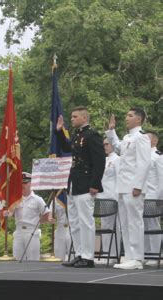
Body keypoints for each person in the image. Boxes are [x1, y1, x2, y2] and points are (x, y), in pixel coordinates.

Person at [57, 106, 106, 268]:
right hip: (74, 182)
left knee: (86, 221)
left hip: (86, 183)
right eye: (71, 117)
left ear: (84, 118)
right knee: (75, 221)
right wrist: (59, 132)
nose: (72, 119)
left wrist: (95, 184)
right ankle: (79, 253)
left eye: (75, 117)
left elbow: (99, 161)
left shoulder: (92, 135)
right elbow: (66, 148)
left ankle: (88, 256)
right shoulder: (78, 135)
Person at [106, 107, 151, 270]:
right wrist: (111, 132)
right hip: (122, 185)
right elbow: (119, 149)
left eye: (130, 115)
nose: (126, 118)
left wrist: (138, 185)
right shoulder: (127, 137)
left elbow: (144, 162)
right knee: (125, 222)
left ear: (138, 119)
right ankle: (130, 256)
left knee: (134, 221)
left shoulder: (142, 137)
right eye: (127, 115)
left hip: (133, 186)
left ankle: (138, 258)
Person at [12, 172, 50, 261]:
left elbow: (47, 214)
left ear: (31, 184)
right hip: (18, 232)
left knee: (33, 261)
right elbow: (10, 213)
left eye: (25, 183)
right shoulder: (16, 200)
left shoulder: (37, 199)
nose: (22, 185)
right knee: (16, 261)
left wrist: (37, 223)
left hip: (31, 232)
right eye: (20, 183)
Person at [96, 138, 121, 264]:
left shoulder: (117, 159)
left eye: (106, 143)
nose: (104, 146)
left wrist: (117, 198)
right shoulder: (103, 159)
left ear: (112, 145)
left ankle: (114, 254)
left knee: (114, 226)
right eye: (103, 144)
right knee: (104, 225)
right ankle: (107, 254)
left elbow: (119, 179)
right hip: (102, 197)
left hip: (112, 197)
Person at [143, 131, 163, 266]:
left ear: (154, 141)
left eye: (147, 139)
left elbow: (161, 178)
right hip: (141, 195)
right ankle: (145, 253)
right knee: (142, 225)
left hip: (153, 195)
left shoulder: (158, 156)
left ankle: (156, 255)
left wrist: (159, 199)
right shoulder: (141, 156)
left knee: (153, 225)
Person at [49, 192, 71, 261]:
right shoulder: (56, 200)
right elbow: (50, 214)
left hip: (72, 229)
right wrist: (50, 218)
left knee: (74, 256)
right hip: (60, 229)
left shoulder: (75, 198)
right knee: (59, 258)